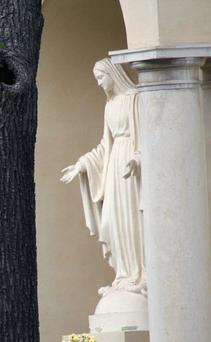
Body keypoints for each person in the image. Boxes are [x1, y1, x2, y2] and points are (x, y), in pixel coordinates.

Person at [61, 58, 146, 296]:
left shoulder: (134, 99)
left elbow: (148, 134)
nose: (99, 83)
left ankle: (140, 273)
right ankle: (124, 274)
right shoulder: (109, 106)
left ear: (112, 74)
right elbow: (104, 145)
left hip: (130, 164)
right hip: (114, 164)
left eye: (101, 77)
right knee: (113, 220)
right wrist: (82, 165)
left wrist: (137, 159)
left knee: (132, 217)